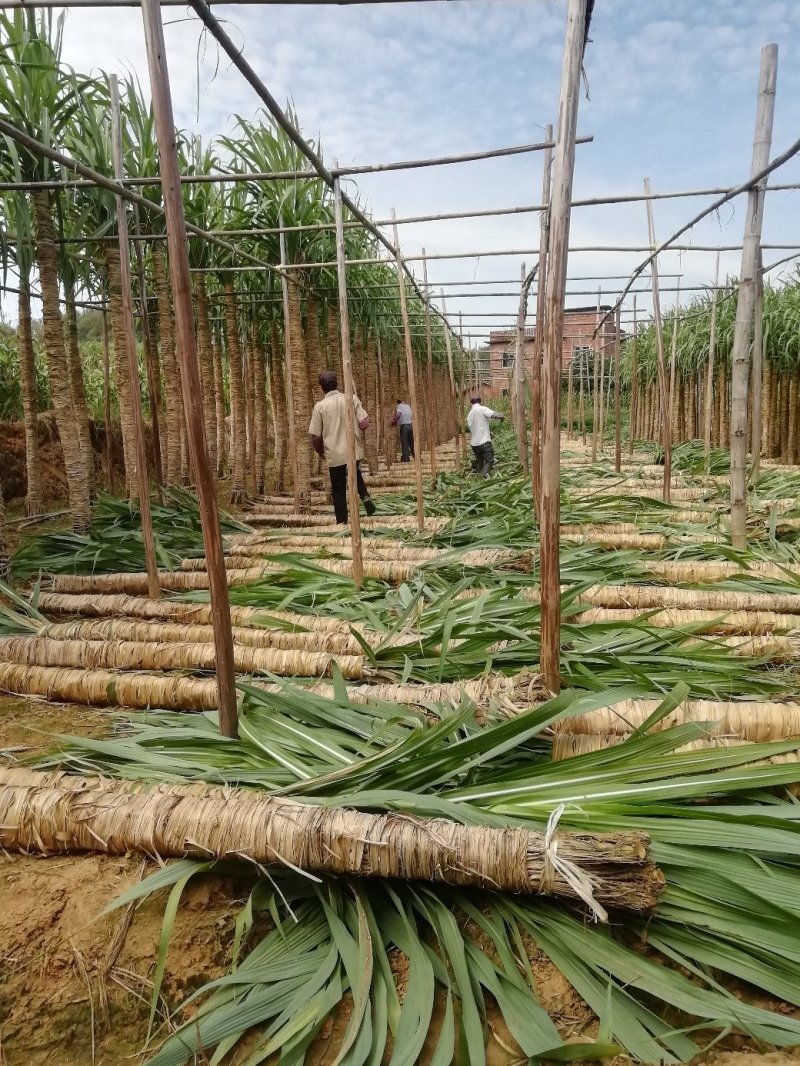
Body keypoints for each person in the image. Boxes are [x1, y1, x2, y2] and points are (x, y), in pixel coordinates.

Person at [309, 370, 377, 524]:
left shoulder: (320, 407)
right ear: (337, 384)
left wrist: (320, 452)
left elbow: (315, 436)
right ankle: (364, 496)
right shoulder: (351, 399)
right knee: (355, 473)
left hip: (334, 454)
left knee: (338, 489)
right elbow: (364, 423)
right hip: (352, 449)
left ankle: (342, 522)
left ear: (322, 388)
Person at [466, 394, 504, 477]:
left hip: (474, 444)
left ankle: (478, 478)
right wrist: (502, 417)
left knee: (479, 461)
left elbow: (478, 426)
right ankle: (482, 477)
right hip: (484, 442)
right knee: (489, 460)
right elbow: (495, 415)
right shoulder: (482, 409)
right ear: (480, 401)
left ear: (471, 403)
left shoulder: (469, 415)